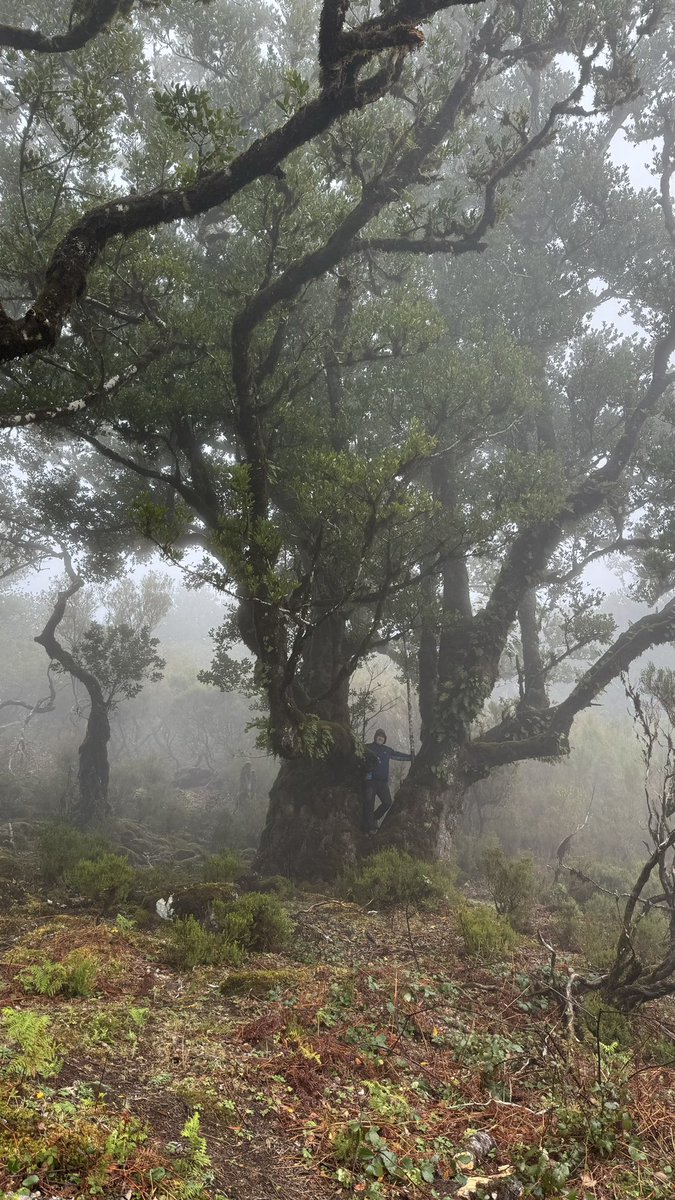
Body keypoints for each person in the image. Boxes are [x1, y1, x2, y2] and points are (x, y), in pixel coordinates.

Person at [363, 728, 413, 834]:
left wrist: (411, 757)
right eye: (378, 736)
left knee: (387, 802)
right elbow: (358, 755)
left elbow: (398, 756)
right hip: (370, 781)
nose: (380, 737)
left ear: (384, 739)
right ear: (375, 737)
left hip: (382, 782)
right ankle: (369, 827)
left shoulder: (387, 750)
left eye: (382, 736)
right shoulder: (368, 747)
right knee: (369, 803)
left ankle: (375, 818)